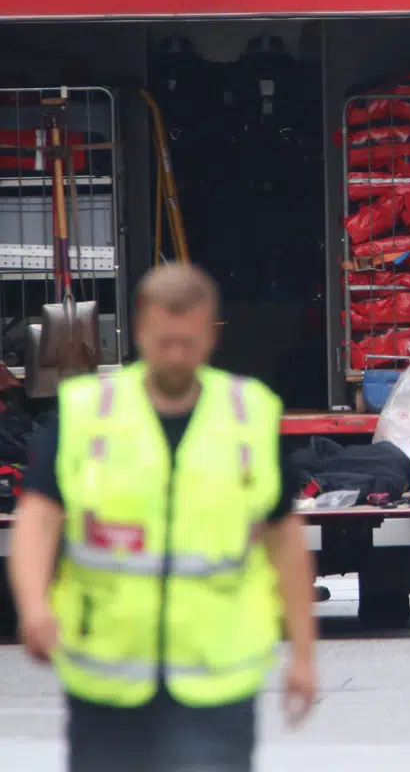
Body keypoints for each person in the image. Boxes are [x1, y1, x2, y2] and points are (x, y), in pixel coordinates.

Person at [7, 263, 317, 772]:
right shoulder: (87, 412)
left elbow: (285, 540)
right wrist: (34, 605)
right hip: (107, 679)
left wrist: (304, 655)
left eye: (188, 342)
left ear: (211, 334)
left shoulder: (249, 415)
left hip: (216, 681)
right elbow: (38, 518)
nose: (176, 355)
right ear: (140, 329)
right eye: (164, 341)